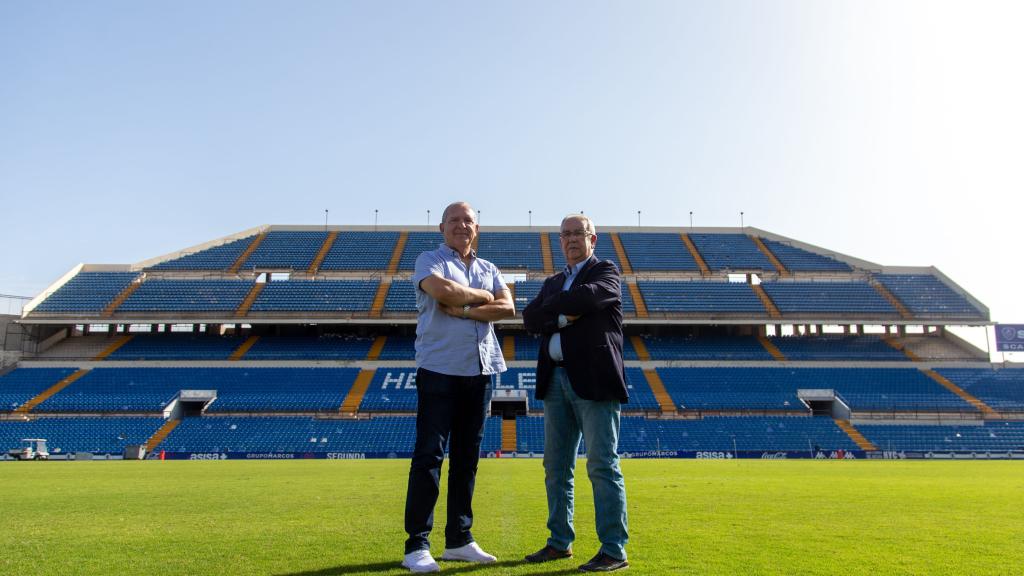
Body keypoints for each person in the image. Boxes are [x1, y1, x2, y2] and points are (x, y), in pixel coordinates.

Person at [401, 201, 515, 573]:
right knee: (429, 457)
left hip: (480, 371)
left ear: (476, 228)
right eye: (454, 220)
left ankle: (459, 540)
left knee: (467, 460)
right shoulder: (429, 259)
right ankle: (417, 544)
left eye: (468, 220)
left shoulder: (489, 268)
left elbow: (508, 308)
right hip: (439, 368)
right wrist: (483, 296)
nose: (461, 225)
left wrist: (466, 309)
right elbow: (444, 291)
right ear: (442, 227)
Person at [522, 214, 630, 572]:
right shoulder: (553, 281)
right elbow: (529, 318)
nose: (570, 239)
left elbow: (589, 298)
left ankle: (613, 549)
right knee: (555, 467)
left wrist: (554, 307)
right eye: (565, 234)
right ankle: (559, 542)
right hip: (555, 380)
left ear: (592, 238)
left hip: (594, 380)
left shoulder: (606, 271)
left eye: (577, 233)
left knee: (601, 464)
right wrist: (563, 316)